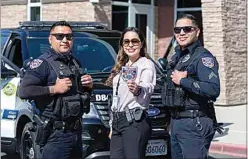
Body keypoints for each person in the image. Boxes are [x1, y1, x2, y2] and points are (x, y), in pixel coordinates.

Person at [18, 20, 93, 159]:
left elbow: (76, 95)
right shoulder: (43, 63)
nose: (65, 40)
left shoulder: (74, 62)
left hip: (76, 133)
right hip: (56, 135)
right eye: (59, 36)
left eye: (69, 37)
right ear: (50, 39)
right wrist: (54, 89)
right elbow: (24, 91)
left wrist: (88, 87)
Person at [164, 14, 221, 159]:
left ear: (197, 31)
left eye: (187, 29)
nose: (181, 33)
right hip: (178, 122)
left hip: (195, 123)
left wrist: (184, 81)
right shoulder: (178, 57)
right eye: (177, 30)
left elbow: (213, 89)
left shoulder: (203, 57)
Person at [105, 27, 156, 159]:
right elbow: (116, 98)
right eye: (126, 42)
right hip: (117, 121)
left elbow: (148, 86)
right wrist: (112, 124)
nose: (130, 45)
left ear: (142, 43)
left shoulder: (146, 64)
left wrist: (137, 89)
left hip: (134, 121)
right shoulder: (121, 66)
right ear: (122, 45)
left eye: (134, 41)